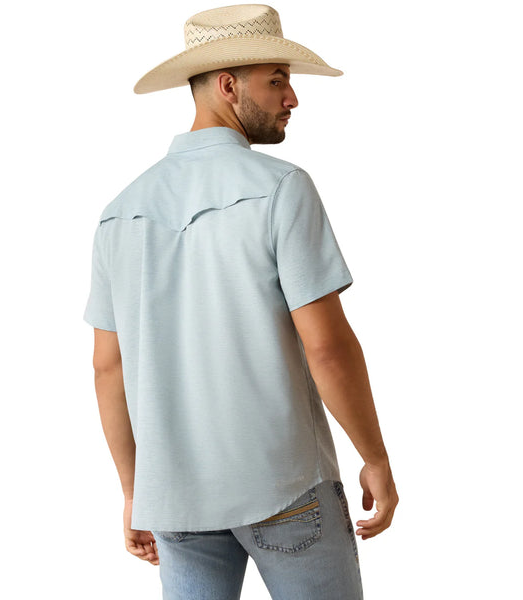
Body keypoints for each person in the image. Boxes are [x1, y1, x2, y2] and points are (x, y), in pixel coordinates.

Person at [83, 4, 398, 599]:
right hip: (283, 484)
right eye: (277, 80)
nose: (292, 98)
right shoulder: (281, 187)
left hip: (175, 497)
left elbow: (108, 367)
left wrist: (134, 490)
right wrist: (374, 456)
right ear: (228, 86)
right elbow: (327, 347)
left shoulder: (119, 212)